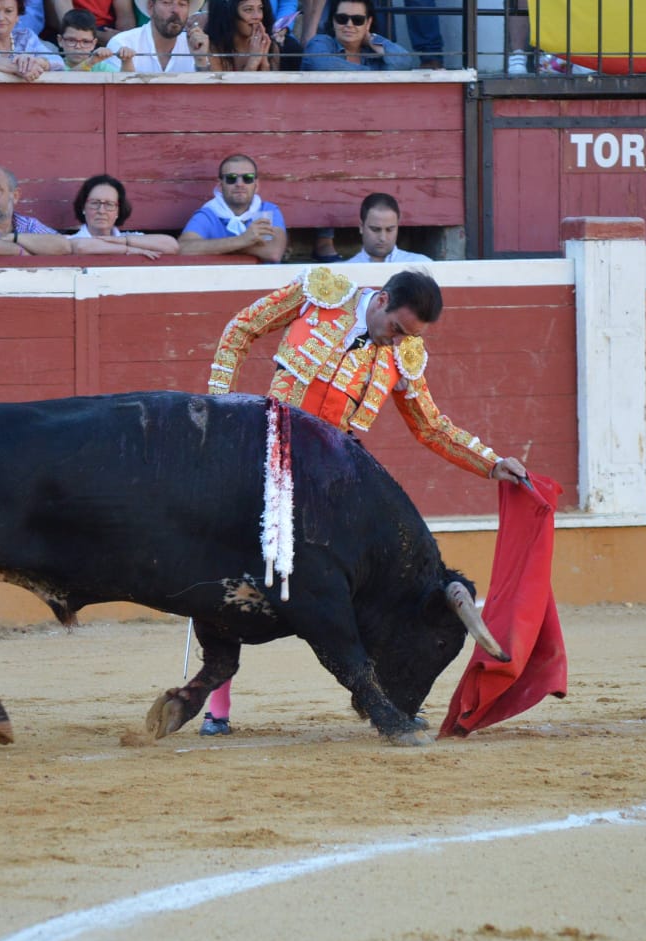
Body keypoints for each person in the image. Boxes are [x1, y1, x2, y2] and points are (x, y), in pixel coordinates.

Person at [201, 267, 528, 734]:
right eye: (396, 329)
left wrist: (492, 463)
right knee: (224, 568)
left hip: (332, 478)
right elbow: (241, 328)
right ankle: (215, 704)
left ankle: (388, 695)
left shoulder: (404, 354)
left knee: (380, 583)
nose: (397, 343)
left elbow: (430, 427)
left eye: (408, 337)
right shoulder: (320, 296)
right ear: (381, 301)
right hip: (266, 453)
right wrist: (219, 407)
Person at [178, 153, 286, 263]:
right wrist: (243, 240)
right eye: (231, 178)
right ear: (220, 186)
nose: (239, 184)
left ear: (256, 185)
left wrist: (214, 247)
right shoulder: (208, 215)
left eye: (247, 178)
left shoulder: (267, 211)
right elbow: (183, 248)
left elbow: (273, 253)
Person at [66, 174, 179, 257]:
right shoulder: (68, 242)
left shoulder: (130, 238)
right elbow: (81, 246)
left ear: (118, 211)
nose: (101, 210)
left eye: (109, 204)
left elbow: (172, 246)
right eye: (95, 203)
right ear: (83, 208)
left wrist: (123, 241)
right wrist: (127, 250)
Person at [300, 0, 413, 71]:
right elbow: (320, 63)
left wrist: (370, 38)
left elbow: (405, 62)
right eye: (342, 19)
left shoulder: (374, 54)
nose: (349, 25)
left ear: (368, 23)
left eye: (357, 20)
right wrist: (372, 74)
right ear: (333, 20)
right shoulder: (321, 42)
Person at [106, 0, 207, 71]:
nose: (176, 10)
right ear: (150, 6)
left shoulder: (195, 45)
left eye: (182, 4)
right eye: (166, 2)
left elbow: (207, 95)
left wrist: (201, 60)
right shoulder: (123, 42)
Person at [203, 0, 297, 70]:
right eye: (248, 10)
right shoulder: (212, 49)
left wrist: (264, 62)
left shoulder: (271, 46)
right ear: (228, 14)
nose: (258, 16)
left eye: (260, 8)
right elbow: (225, 95)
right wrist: (253, 62)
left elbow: (269, 92)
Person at [347, 191, 430, 263]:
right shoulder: (343, 273)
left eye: (390, 230)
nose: (383, 238)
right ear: (361, 227)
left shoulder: (421, 264)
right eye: (375, 230)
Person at [49, 0, 130, 49]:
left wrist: (122, 38)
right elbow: (66, 22)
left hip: (107, 30)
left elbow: (125, 17)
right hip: (75, 31)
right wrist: (100, 36)